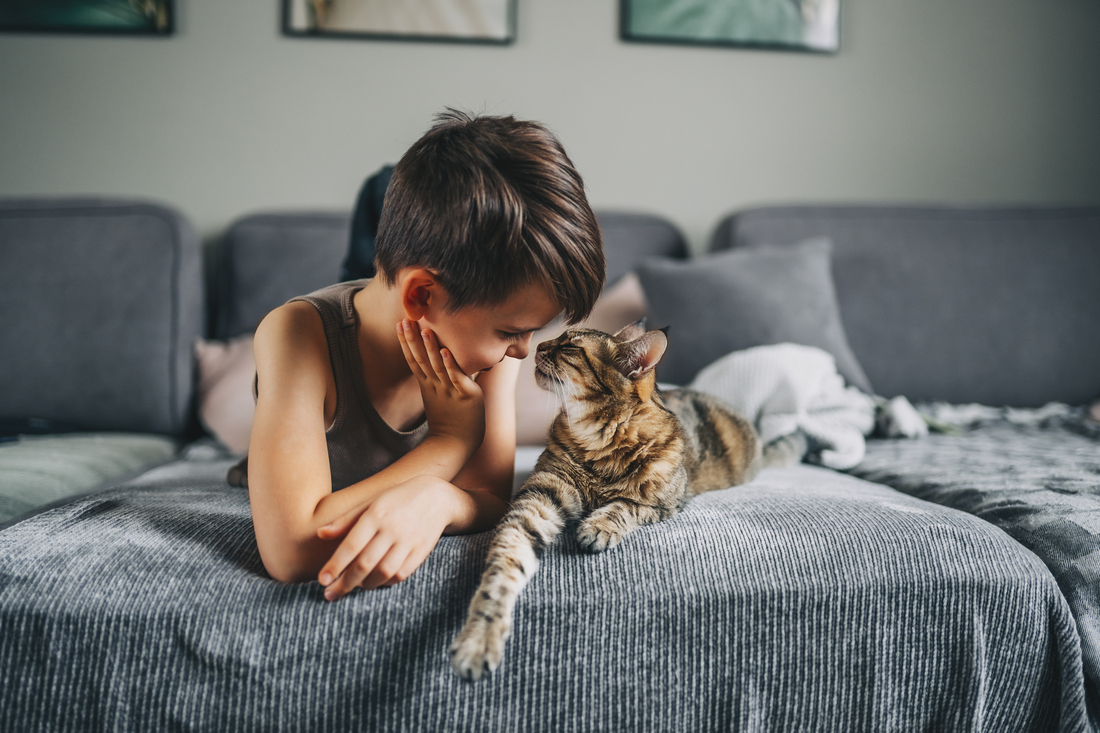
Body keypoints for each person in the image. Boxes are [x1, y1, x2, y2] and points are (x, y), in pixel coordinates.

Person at [245, 110, 605, 601]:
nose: (523, 350)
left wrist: (440, 500)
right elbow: (292, 551)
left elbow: (491, 497)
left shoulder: (497, 354)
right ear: (421, 295)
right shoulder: (296, 335)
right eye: (511, 331)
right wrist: (449, 442)